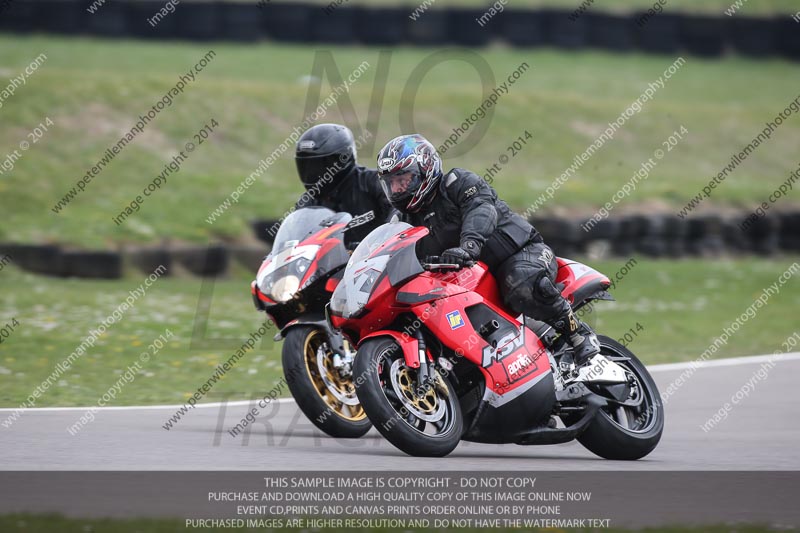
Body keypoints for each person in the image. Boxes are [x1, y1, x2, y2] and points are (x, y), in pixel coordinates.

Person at [375, 134, 600, 367]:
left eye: (403, 179)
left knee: (520, 281)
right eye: (391, 183)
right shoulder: (404, 221)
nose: (397, 188)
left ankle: (578, 334)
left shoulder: (457, 183)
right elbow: (392, 250)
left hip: (522, 253)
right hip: (467, 280)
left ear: (425, 168)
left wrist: (469, 246)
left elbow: (482, 209)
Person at [294, 123, 394, 248]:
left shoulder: (374, 183)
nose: (313, 173)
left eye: (319, 166)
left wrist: (376, 244)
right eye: (307, 167)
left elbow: (397, 218)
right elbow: (295, 241)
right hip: (329, 267)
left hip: (377, 263)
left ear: (342, 159)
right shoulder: (307, 204)